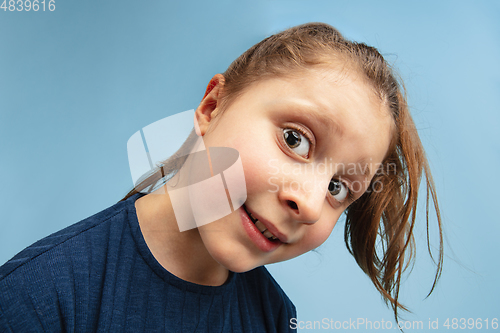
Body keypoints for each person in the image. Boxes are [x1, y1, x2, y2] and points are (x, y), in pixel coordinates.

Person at [0, 22, 443, 332]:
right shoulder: (38, 298)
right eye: (295, 139)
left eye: (337, 188)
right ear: (212, 107)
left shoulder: (274, 317)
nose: (308, 203)